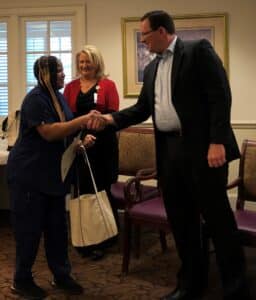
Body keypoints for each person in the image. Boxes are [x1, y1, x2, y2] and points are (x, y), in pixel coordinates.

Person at [92, 10, 251, 300]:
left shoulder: (197, 50)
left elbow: (220, 95)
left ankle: (235, 287)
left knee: (218, 221)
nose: (143, 41)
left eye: (146, 35)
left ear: (163, 31)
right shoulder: (152, 69)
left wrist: (216, 141)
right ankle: (190, 284)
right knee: (182, 221)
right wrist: (110, 120)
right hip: (170, 153)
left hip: (204, 151)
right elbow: (141, 109)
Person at [7, 55, 102, 300]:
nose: (63, 74)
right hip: (29, 176)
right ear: (45, 74)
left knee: (57, 230)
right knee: (29, 231)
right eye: (58, 70)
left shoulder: (58, 97)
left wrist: (80, 141)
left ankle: (61, 275)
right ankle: (21, 280)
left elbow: (64, 131)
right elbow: (49, 133)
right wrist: (83, 121)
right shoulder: (35, 100)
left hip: (52, 177)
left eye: (61, 70)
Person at [64, 45, 120, 260]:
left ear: (97, 63)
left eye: (88, 61)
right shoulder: (70, 87)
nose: (84, 66)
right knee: (81, 189)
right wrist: (79, 139)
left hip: (103, 145)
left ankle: (104, 238)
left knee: (101, 190)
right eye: (81, 62)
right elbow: (68, 119)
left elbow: (114, 118)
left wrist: (97, 131)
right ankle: (83, 235)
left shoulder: (108, 85)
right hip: (79, 145)